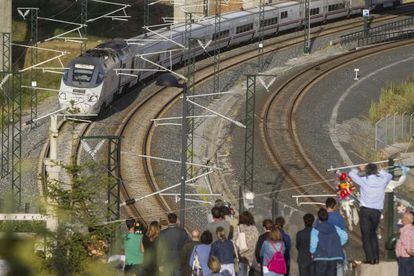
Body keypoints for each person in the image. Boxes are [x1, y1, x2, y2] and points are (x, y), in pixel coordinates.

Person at [349, 163, 393, 264]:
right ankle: (376, 258)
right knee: (373, 234)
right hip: (376, 212)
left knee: (366, 235)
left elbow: (351, 174)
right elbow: (389, 176)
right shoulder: (382, 181)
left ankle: (370, 258)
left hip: (365, 211)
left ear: (367, 171)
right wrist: (379, 170)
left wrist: (358, 168)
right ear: (375, 171)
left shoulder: (364, 181)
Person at [310, 208, 348, 276]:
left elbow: (313, 244)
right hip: (333, 258)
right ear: (327, 217)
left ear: (318, 217)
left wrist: (312, 252)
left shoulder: (315, 230)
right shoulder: (335, 228)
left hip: (320, 257)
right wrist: (338, 244)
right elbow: (345, 236)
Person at [234, 211, 259, 276]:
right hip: (252, 258)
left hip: (242, 257)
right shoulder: (254, 229)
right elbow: (257, 242)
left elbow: (234, 242)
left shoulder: (239, 228)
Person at [395, 211, 414, 276]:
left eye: (403, 217)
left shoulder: (406, 231)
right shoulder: (411, 229)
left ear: (407, 220)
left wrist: (410, 253)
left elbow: (408, 246)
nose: (402, 219)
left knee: (404, 273)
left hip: (406, 257)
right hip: (407, 257)